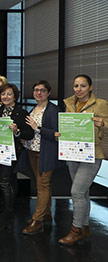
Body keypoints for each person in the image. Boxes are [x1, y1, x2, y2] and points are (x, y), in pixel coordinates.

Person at [58, 74, 108, 245]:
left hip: (92, 154)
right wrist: (61, 135)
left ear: (91, 87)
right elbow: (69, 127)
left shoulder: (100, 104)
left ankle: (76, 229)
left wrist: (103, 124)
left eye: (83, 86)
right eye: (76, 86)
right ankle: (85, 227)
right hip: (73, 152)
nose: (78, 89)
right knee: (83, 192)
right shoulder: (70, 105)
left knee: (77, 192)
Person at [19, 80, 61, 235]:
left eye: (43, 90)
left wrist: (38, 128)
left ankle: (37, 221)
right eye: (36, 90)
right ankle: (47, 214)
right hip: (32, 151)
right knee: (42, 184)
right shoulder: (33, 109)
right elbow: (32, 132)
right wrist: (26, 138)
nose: (39, 93)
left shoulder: (53, 110)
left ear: (48, 93)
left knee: (42, 185)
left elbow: (57, 135)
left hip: (46, 153)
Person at [0, 83, 34, 230]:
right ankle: (8, 207)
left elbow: (29, 134)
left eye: (9, 94)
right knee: (9, 181)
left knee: (4, 182)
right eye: (3, 94)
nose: (5, 97)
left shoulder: (21, 113)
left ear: (15, 96)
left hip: (12, 152)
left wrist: (17, 131)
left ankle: (7, 213)